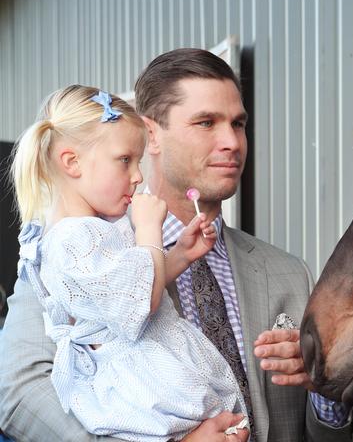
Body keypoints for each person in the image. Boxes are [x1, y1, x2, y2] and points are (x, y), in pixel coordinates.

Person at [0, 49, 353, 442]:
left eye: (239, 124)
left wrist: (327, 386)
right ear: (151, 135)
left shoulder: (292, 274)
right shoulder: (81, 252)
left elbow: (337, 435)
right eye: (206, 122)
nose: (232, 141)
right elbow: (17, 393)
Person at [8, 85, 248, 441]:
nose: (137, 176)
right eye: (125, 160)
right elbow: (137, 304)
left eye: (138, 162)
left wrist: (179, 255)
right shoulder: (70, 240)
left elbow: (128, 284)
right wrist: (148, 230)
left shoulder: (99, 229)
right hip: (140, 387)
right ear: (71, 162)